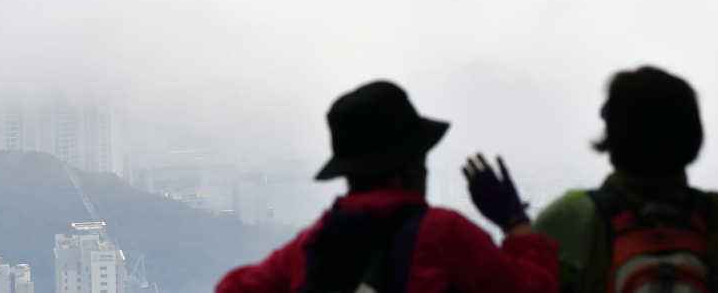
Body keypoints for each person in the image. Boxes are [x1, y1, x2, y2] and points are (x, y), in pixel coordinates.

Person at [215, 80, 559, 293]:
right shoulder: (443, 234)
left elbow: (232, 288)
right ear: (412, 165)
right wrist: (515, 222)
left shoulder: (312, 245)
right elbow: (534, 288)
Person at [532, 66, 718, 293]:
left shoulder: (572, 215)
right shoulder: (716, 212)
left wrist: (514, 223)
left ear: (615, 134)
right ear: (692, 132)